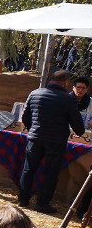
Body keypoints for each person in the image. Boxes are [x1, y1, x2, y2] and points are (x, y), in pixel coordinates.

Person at [19, 70, 84, 213]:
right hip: (56, 142)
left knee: (29, 169)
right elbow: (78, 127)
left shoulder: (35, 93)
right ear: (66, 82)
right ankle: (42, 203)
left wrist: (33, 129)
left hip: (35, 138)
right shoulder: (68, 99)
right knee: (51, 173)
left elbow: (24, 117)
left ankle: (23, 199)